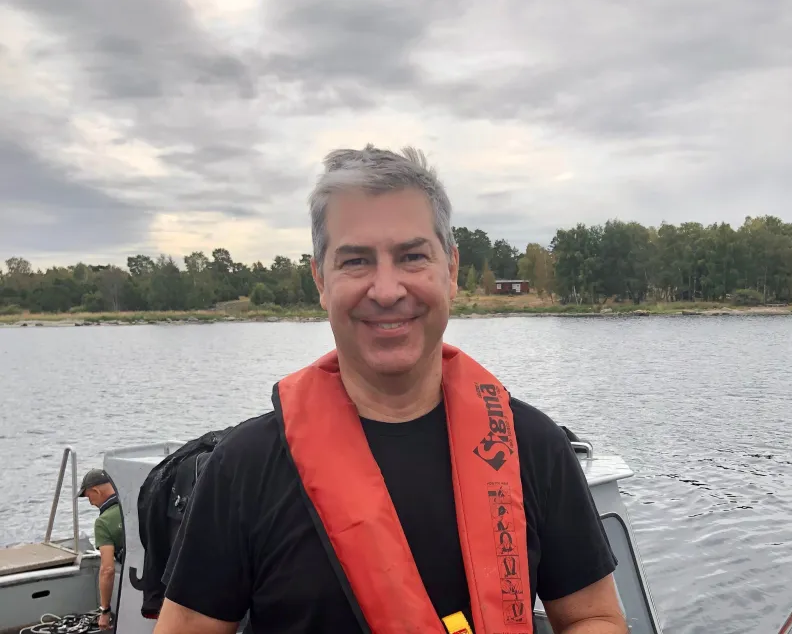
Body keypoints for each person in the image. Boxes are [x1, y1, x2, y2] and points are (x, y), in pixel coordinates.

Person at [155, 145, 627, 634]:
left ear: (451, 271)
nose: (386, 290)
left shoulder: (531, 445)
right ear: (320, 278)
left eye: (412, 257)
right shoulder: (244, 467)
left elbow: (593, 617)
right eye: (356, 261)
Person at [78, 468, 124, 630]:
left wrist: (105, 610)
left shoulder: (103, 522)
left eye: (88, 496)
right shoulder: (136, 504)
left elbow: (107, 570)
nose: (90, 502)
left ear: (95, 490)